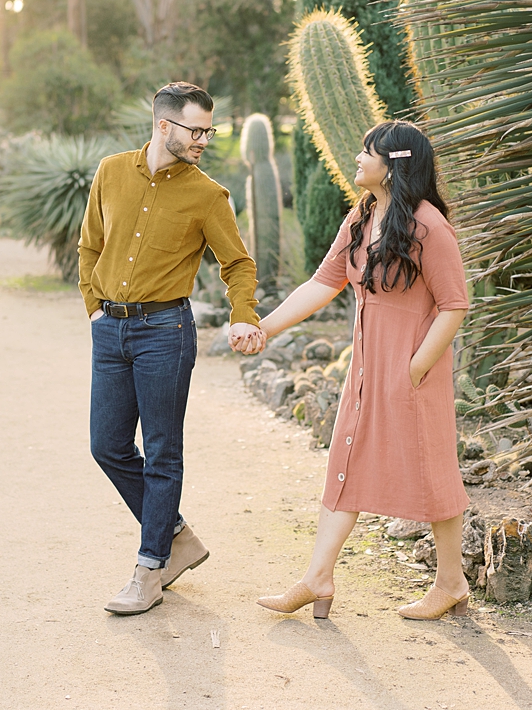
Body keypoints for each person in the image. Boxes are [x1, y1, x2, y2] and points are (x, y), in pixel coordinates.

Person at [244, 120, 472, 620]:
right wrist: (265, 329)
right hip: (367, 369)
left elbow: (455, 305)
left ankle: (451, 583)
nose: (357, 158)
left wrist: (414, 370)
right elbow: (319, 286)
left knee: (432, 469)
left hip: (412, 372)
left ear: (392, 166)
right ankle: (317, 579)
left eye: (367, 151)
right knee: (344, 462)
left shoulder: (430, 226)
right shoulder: (361, 218)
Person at [79, 82, 266, 615]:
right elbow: (89, 244)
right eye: (196, 129)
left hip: (166, 332)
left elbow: (238, 263)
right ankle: (177, 535)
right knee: (107, 445)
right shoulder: (111, 172)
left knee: (162, 451)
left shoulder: (208, 195)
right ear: (164, 125)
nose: (204, 138)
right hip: (110, 330)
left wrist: (242, 313)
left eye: (210, 129)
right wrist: (94, 309)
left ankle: (150, 568)